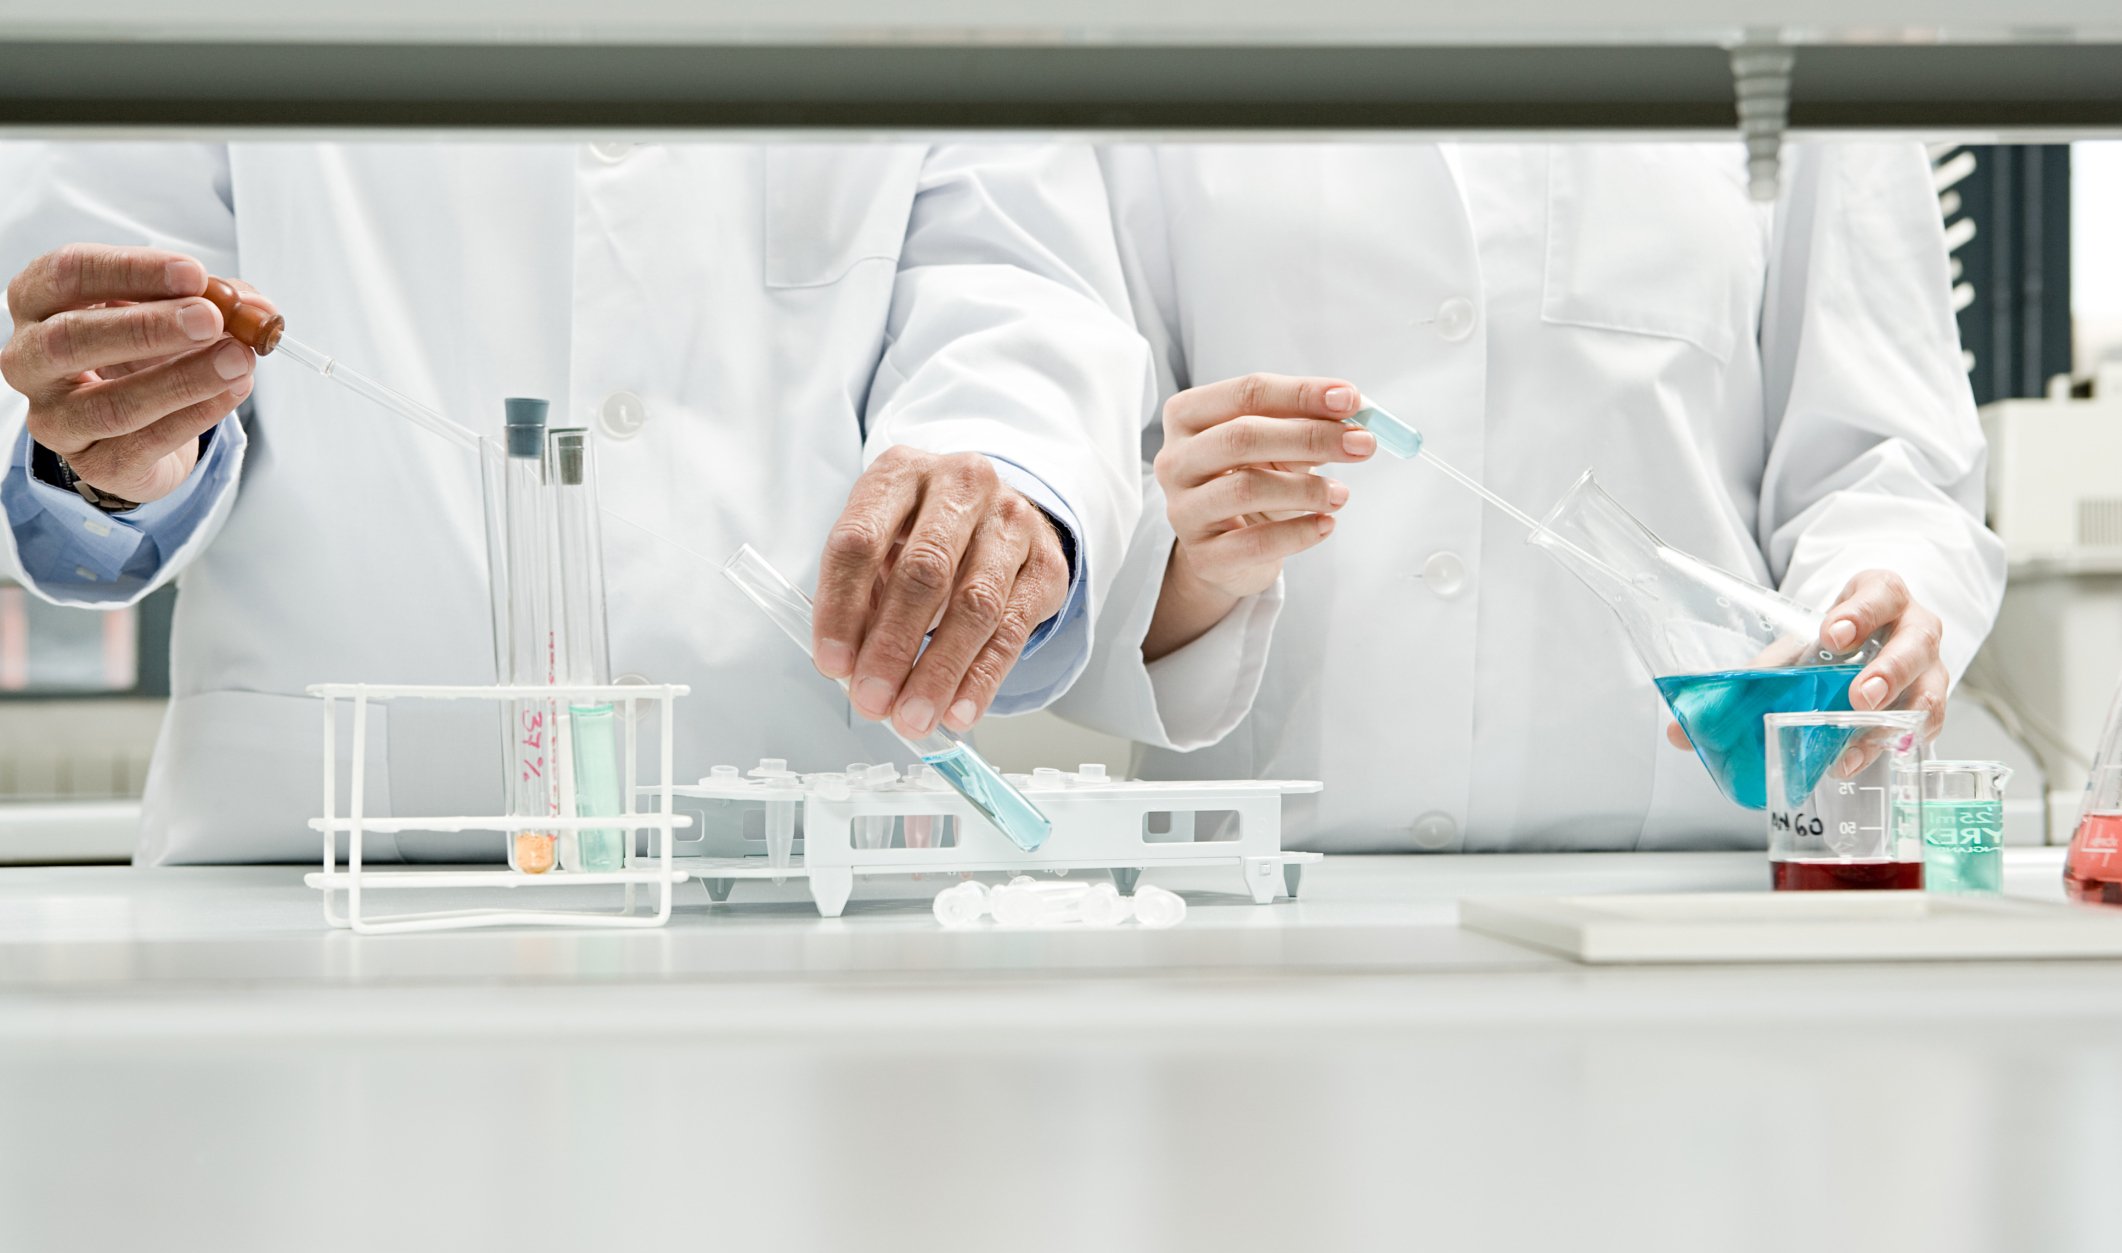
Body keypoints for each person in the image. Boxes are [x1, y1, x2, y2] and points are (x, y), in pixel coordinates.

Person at [0, 141, 1151, 863]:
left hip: (814, 852)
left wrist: (996, 479)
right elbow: (84, 293)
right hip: (328, 860)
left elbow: (1014, 280)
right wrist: (117, 439)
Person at [1058, 141, 2007, 851]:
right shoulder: (1163, 46)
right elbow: (1072, 484)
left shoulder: (1793, 35)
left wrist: (1875, 601)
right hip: (1266, 901)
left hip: (1670, 909)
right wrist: (1192, 569)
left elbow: (1884, 456)